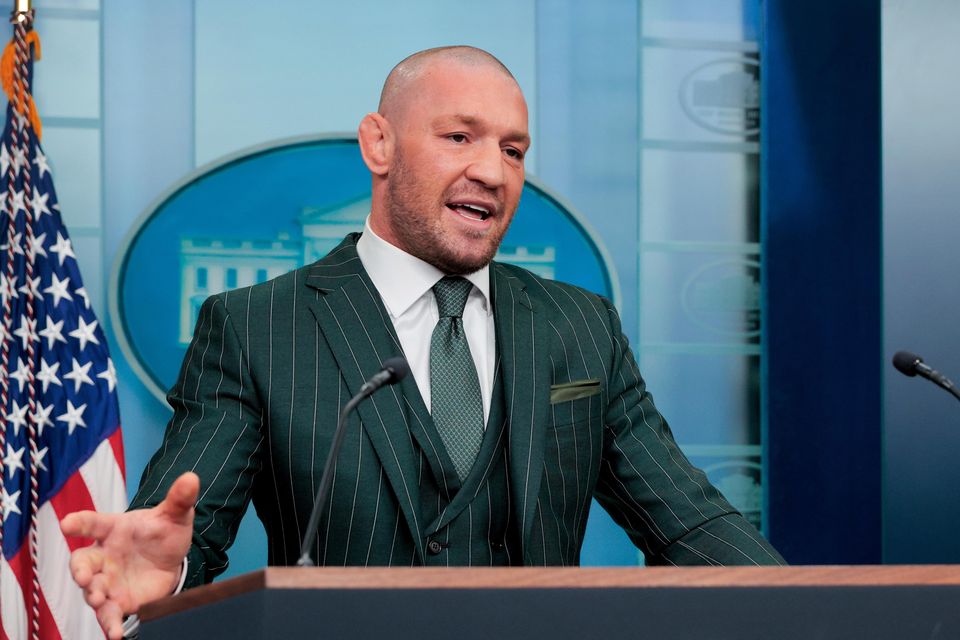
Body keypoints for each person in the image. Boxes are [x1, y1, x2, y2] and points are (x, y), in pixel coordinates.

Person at [62, 46, 784, 639]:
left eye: (514, 149)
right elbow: (183, 525)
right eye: (459, 136)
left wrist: (808, 610)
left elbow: (689, 522)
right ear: (379, 144)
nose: (494, 172)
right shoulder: (256, 326)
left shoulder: (580, 326)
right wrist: (167, 573)